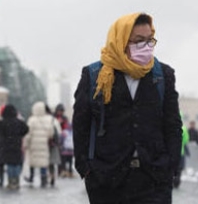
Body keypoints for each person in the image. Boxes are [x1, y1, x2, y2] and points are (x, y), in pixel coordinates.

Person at [73, 12, 182, 203]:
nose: (146, 47)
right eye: (138, 41)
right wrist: (86, 168)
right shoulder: (95, 76)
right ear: (121, 41)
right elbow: (81, 124)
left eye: (150, 40)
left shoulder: (163, 75)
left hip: (154, 178)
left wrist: (171, 165)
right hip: (107, 179)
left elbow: (172, 124)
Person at [0, 104, 28, 190]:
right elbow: (26, 129)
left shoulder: (1, 123)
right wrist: (19, 135)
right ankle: (16, 180)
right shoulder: (19, 122)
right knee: (17, 164)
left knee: (10, 164)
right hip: (17, 145)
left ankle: (11, 182)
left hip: (6, 146)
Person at [23, 101, 53, 188]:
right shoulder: (48, 119)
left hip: (33, 145)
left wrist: (26, 144)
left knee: (32, 162)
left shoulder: (32, 120)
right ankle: (43, 179)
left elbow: (28, 134)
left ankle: (31, 177)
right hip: (44, 145)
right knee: (43, 162)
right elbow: (51, 133)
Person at [173, 114, 189, 189]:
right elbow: (186, 139)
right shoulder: (183, 128)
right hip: (180, 151)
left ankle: (170, 181)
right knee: (179, 169)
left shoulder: (170, 126)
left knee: (170, 167)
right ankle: (177, 182)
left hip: (171, 152)